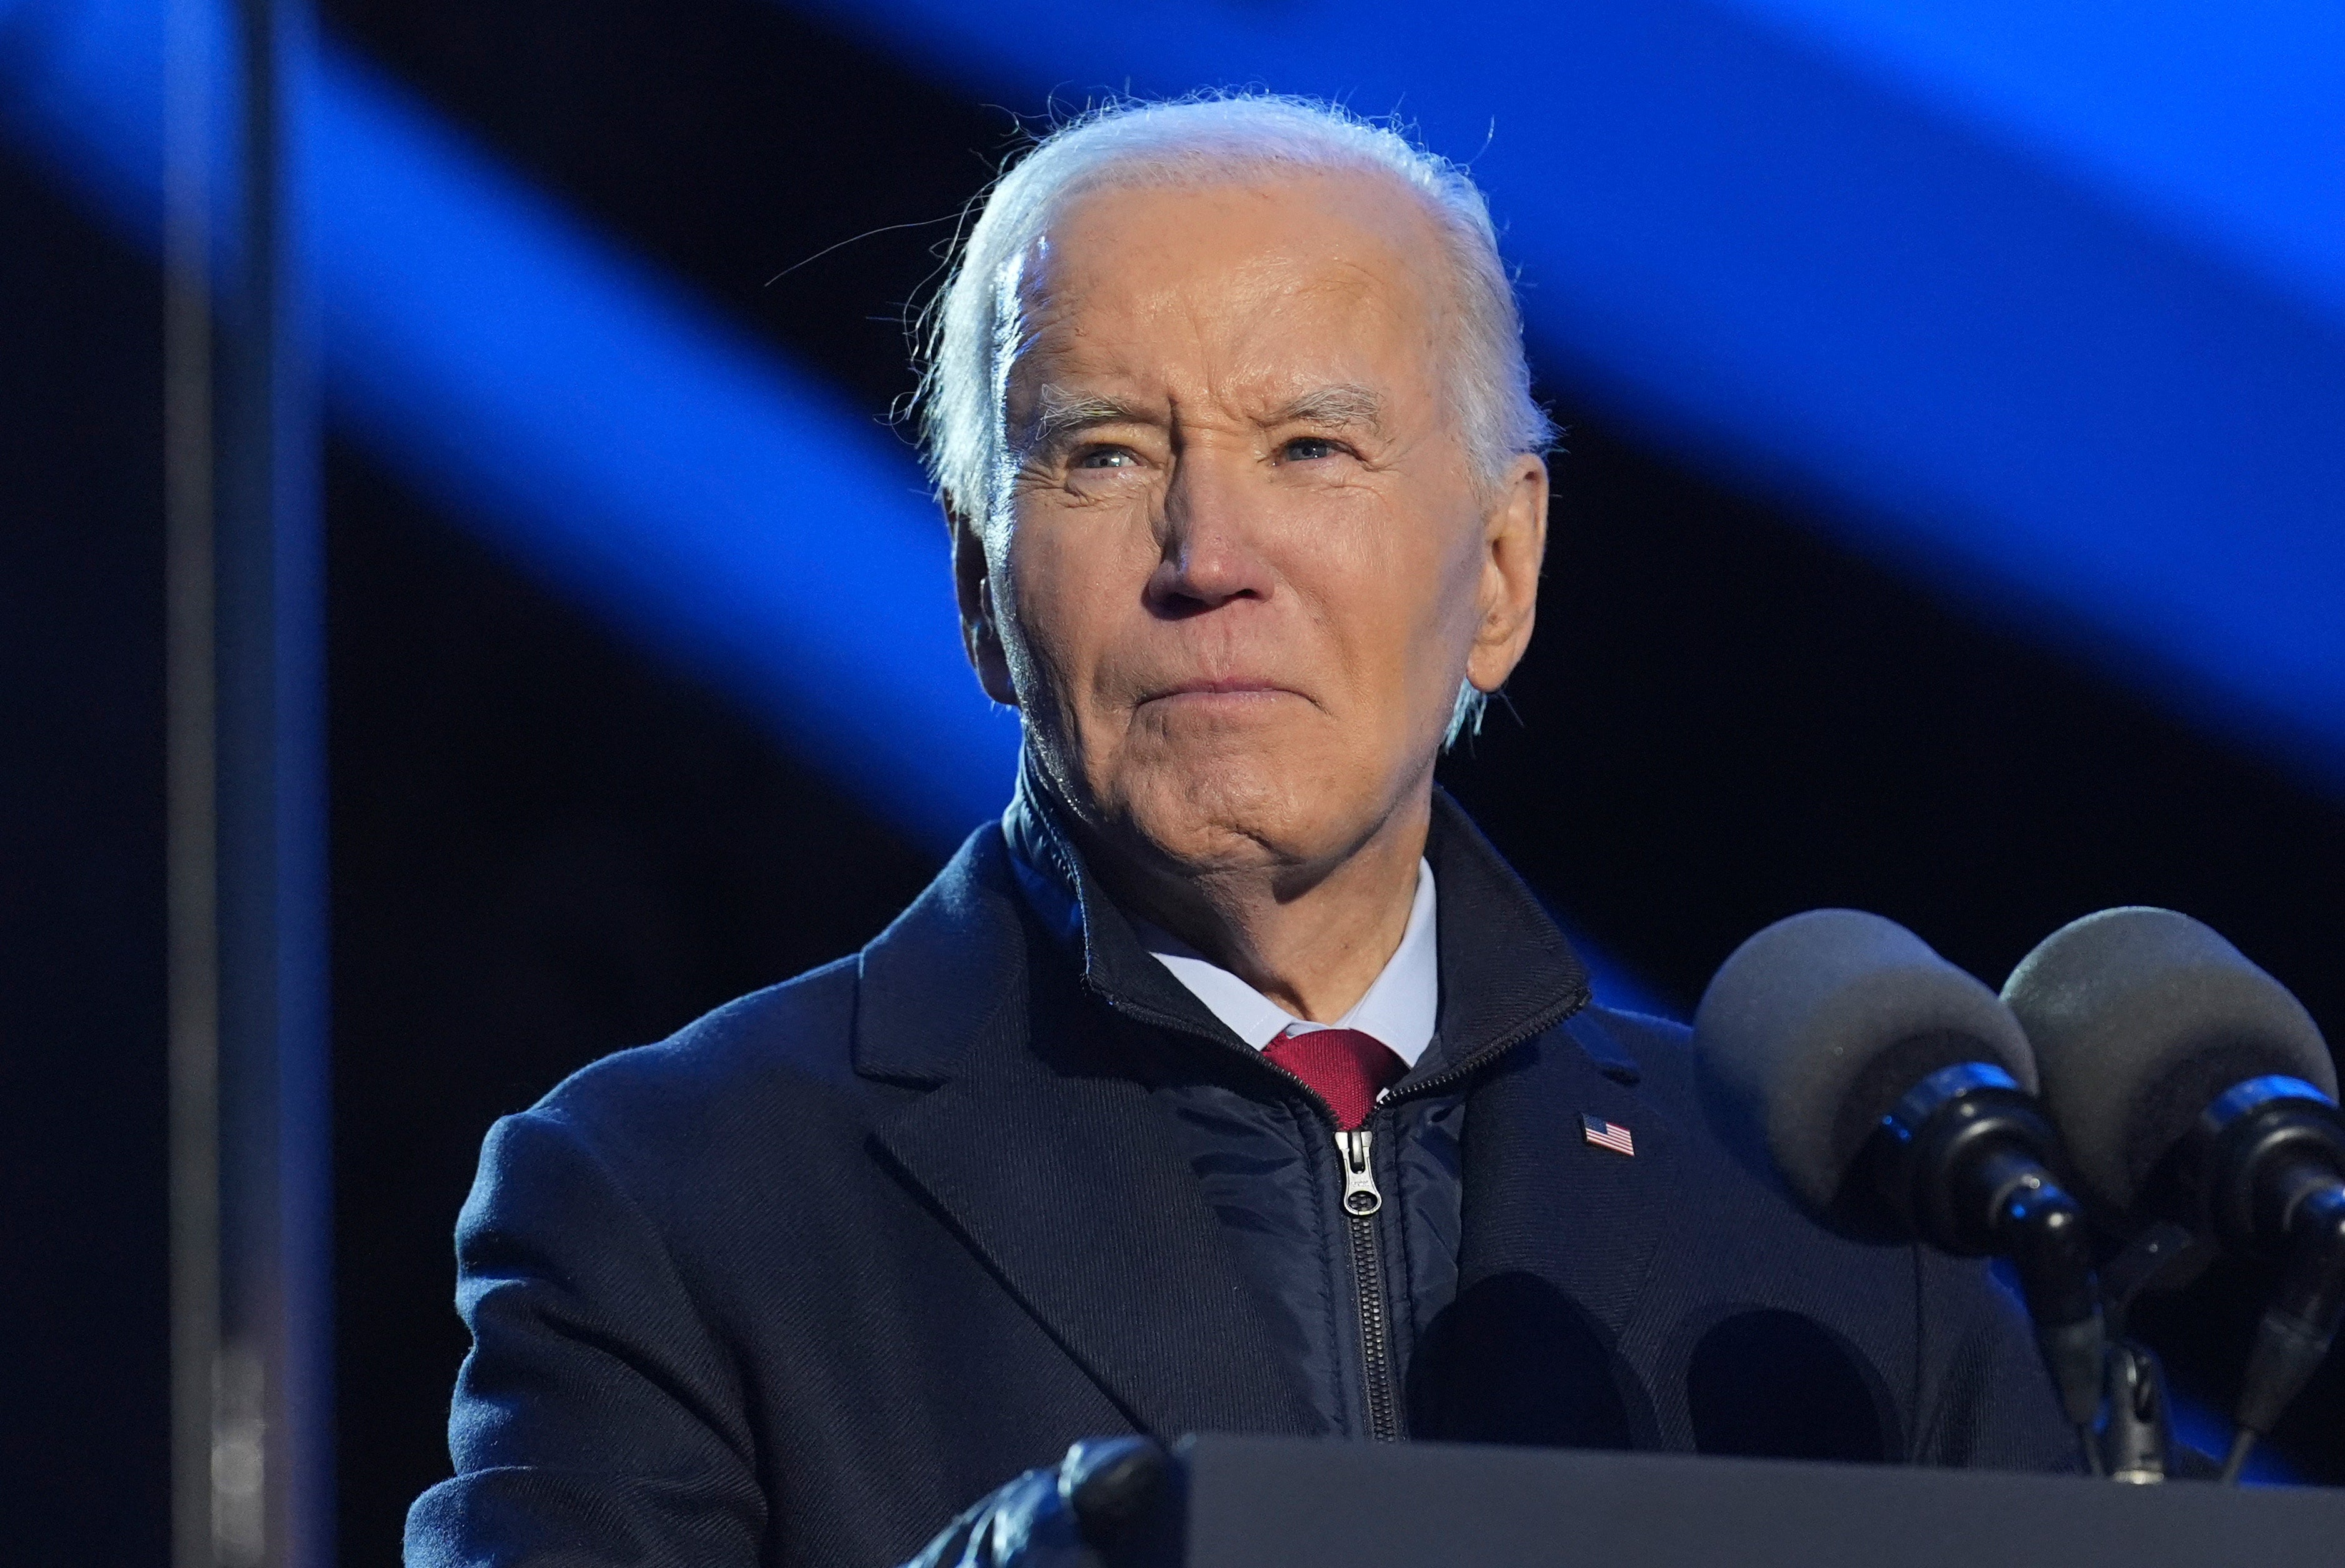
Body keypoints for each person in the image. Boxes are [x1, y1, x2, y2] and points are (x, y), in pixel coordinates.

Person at [404, 94, 2075, 1568]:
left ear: (1501, 572)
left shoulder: (1838, 1237)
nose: (1212, 551)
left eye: (1310, 448)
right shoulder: (666, 1203)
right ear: (981, 591)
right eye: (1106, 454)